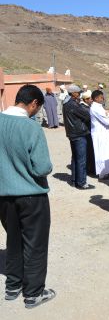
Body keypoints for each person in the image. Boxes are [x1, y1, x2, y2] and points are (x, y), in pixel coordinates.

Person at [0, 85, 56, 308]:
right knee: (35, 244)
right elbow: (42, 167)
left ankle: (13, 286)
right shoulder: (31, 128)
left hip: (3, 196)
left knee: (13, 239)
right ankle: (33, 293)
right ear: (33, 104)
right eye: (38, 108)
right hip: (31, 196)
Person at [62, 84, 94, 189]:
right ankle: (82, 183)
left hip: (72, 133)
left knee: (75, 158)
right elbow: (86, 115)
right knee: (81, 159)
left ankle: (74, 180)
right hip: (79, 133)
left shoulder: (66, 103)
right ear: (73, 93)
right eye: (78, 92)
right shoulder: (73, 104)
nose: (80, 94)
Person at [90, 90, 109, 179]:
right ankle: (102, 173)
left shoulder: (99, 106)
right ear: (96, 98)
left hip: (104, 133)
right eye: (101, 97)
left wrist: (108, 115)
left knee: (107, 152)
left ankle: (107, 170)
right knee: (101, 153)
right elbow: (106, 120)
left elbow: (106, 115)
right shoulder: (95, 108)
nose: (103, 98)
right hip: (99, 134)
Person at [80, 90, 96, 176]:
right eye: (90, 99)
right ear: (86, 100)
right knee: (88, 151)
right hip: (86, 132)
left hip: (89, 132)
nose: (92, 100)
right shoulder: (83, 108)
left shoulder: (87, 107)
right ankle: (90, 169)